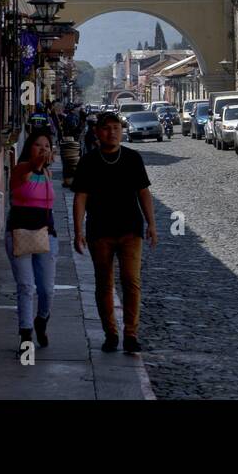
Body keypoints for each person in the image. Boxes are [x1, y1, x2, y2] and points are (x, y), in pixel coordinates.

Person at [72, 112, 157, 354]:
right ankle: (111, 333)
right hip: (100, 231)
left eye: (117, 128)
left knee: (132, 282)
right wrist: (78, 231)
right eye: (107, 128)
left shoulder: (132, 158)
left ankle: (131, 334)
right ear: (98, 132)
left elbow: (143, 193)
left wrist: (151, 224)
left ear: (122, 130)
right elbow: (80, 197)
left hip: (131, 229)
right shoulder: (88, 162)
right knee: (104, 284)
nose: (112, 132)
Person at [7, 129, 58, 353]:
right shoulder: (20, 170)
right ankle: (26, 335)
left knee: (47, 289)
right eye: (39, 145)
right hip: (19, 234)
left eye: (47, 146)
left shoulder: (47, 174)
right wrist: (37, 164)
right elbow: (29, 171)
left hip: (46, 234)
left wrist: (42, 167)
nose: (43, 149)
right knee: (26, 286)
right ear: (29, 148)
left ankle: (42, 319)